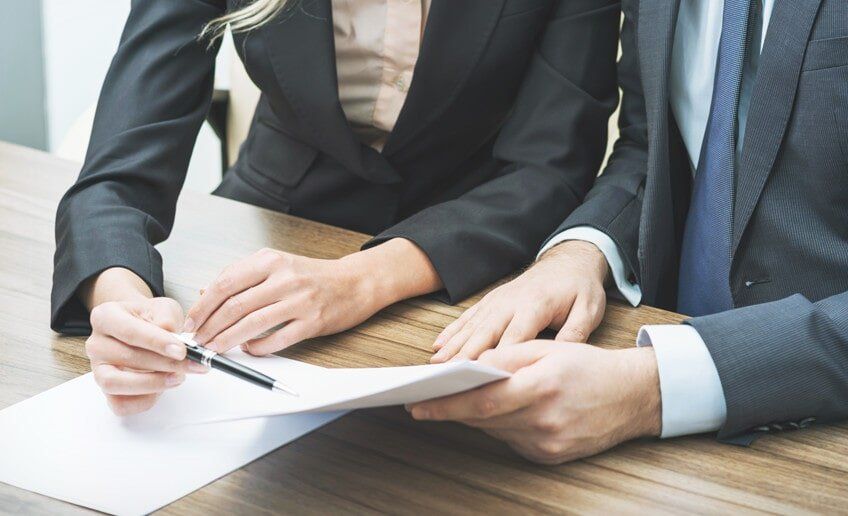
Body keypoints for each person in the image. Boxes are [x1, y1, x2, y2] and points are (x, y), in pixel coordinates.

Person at [51, 0, 621, 415]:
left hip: (471, 251)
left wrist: (362, 280)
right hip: (273, 217)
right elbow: (118, 170)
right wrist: (117, 295)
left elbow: (548, 167)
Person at [412, 0, 848, 463]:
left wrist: (654, 388)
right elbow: (648, 144)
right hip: (641, 383)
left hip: (814, 441)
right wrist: (579, 253)